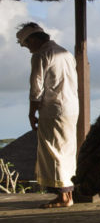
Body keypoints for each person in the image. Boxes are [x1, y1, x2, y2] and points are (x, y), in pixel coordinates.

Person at [16, 22, 78, 208]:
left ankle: (63, 197)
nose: (28, 49)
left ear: (33, 40)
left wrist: (31, 112)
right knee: (66, 150)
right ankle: (68, 193)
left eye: (27, 45)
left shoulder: (41, 55)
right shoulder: (65, 53)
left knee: (54, 151)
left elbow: (36, 87)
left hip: (53, 109)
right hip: (71, 107)